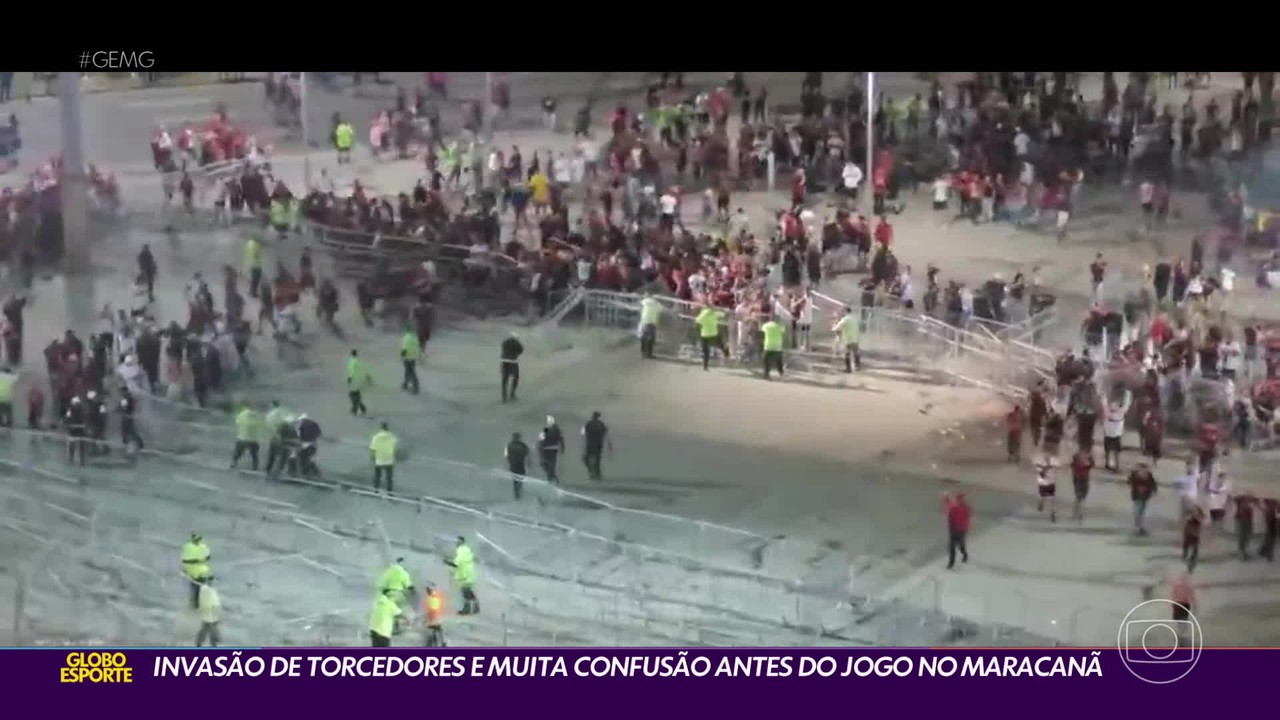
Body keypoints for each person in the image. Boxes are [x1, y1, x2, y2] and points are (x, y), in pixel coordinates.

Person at [444, 536, 478, 615]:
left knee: (465, 592)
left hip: (465, 574)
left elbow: (456, 564)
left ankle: (468, 609)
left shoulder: (461, 550)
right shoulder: (466, 549)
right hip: (469, 572)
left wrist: (447, 562)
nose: (456, 542)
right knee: (467, 591)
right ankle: (474, 607)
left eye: (458, 541)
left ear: (461, 542)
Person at [180, 533, 211, 610]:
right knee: (195, 586)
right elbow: (184, 560)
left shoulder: (203, 546)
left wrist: (204, 559)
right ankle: (195, 602)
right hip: (192, 570)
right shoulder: (188, 547)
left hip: (202, 571)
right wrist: (196, 561)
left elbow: (208, 557)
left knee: (200, 586)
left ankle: (198, 602)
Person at [694, 304, 728, 370]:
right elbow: (724, 314)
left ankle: (705, 366)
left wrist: (699, 330)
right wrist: (723, 310)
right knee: (722, 345)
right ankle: (727, 355)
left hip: (705, 334)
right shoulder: (714, 313)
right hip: (714, 333)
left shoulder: (702, 315)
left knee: (706, 351)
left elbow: (697, 322)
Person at [1128, 462, 1158, 536]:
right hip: (1137, 496)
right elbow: (1129, 482)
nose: (1142, 470)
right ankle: (1138, 527)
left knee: (1141, 511)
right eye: (1141, 468)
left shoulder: (1148, 475)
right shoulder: (1134, 475)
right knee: (1138, 511)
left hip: (1145, 496)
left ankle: (1139, 526)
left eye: (1144, 468)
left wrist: (1154, 490)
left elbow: (1153, 483)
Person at [943, 491, 970, 569]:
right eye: (958, 499)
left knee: (961, 546)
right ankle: (951, 563)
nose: (959, 500)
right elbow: (949, 510)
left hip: (961, 530)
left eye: (961, 499)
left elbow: (966, 519)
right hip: (954, 530)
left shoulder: (965, 508)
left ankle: (964, 554)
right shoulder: (954, 507)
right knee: (952, 548)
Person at [581, 411, 611, 481]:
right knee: (595, 460)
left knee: (588, 459)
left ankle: (593, 473)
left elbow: (583, 433)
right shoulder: (599, 424)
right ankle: (595, 473)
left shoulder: (590, 424)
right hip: (597, 444)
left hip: (592, 444)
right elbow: (605, 432)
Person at [369, 422, 398, 492]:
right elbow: (394, 446)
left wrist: (372, 458)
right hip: (389, 459)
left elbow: (373, 449)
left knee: (377, 476)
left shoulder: (376, 437)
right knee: (389, 478)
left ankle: (376, 490)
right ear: (387, 428)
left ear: (381, 428)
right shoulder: (392, 437)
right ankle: (389, 491)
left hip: (379, 459)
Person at [231, 404, 260, 471]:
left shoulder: (241, 414)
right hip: (253, 438)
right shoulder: (254, 415)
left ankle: (234, 463)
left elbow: (237, 423)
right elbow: (257, 425)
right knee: (254, 454)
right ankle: (255, 467)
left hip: (242, 437)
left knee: (238, 453)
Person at [832, 306, 862, 372]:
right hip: (855, 338)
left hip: (848, 339)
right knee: (856, 353)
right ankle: (858, 366)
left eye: (843, 311)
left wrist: (834, 324)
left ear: (846, 311)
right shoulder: (853, 318)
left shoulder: (845, 319)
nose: (842, 313)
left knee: (847, 354)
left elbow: (836, 328)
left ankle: (848, 369)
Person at [195, 576, 221, 648]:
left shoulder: (207, 589)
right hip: (210, 615)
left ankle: (199, 644)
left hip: (210, 615)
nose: (215, 583)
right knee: (211, 631)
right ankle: (212, 645)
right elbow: (213, 603)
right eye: (214, 581)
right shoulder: (207, 590)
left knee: (205, 630)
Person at [538, 416, 565, 484]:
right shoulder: (556, 430)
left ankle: (551, 477)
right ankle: (552, 476)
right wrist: (562, 447)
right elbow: (561, 439)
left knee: (546, 463)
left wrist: (539, 447)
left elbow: (542, 440)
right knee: (550, 464)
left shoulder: (549, 430)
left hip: (547, 449)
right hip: (552, 449)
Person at [505, 431, 530, 500]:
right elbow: (527, 453)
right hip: (519, 464)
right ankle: (518, 492)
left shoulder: (510, 445)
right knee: (519, 478)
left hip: (514, 464)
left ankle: (517, 493)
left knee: (516, 479)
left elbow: (506, 455)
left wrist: (509, 461)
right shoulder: (522, 445)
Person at [500, 331, 523, 403]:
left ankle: (504, 397)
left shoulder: (505, 342)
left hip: (504, 361)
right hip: (513, 362)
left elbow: (503, 348)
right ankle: (512, 394)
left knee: (505, 379)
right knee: (516, 377)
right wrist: (515, 354)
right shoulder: (517, 343)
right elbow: (521, 350)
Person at [760, 315, 785, 380]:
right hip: (777, 346)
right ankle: (781, 372)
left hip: (768, 346)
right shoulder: (780, 326)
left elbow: (762, 331)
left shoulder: (766, 325)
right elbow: (783, 332)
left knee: (766, 361)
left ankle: (766, 373)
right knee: (779, 361)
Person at [346, 349, 370, 416]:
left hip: (355, 380)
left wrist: (350, 377)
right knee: (355, 395)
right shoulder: (357, 361)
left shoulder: (352, 361)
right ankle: (361, 408)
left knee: (353, 395)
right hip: (357, 380)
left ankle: (355, 409)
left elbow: (352, 370)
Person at [638, 294, 662, 359]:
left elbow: (640, 303)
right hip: (652, 323)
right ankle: (649, 354)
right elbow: (662, 310)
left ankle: (643, 352)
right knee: (650, 339)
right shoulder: (657, 305)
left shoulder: (645, 302)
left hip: (643, 322)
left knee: (643, 337)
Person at [1035, 455, 1057, 522]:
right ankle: (1041, 504)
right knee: (1044, 497)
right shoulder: (1041, 467)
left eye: (1048, 460)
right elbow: (1041, 474)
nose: (1048, 461)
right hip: (1044, 484)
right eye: (1047, 459)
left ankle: (1052, 513)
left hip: (1049, 484)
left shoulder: (1051, 467)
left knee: (1051, 499)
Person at [399, 327, 420, 395]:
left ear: (406, 331)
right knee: (408, 371)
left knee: (411, 372)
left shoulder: (406, 337)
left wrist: (402, 355)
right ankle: (405, 384)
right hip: (413, 357)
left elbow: (405, 347)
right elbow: (418, 346)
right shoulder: (413, 337)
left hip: (408, 357)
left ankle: (415, 388)